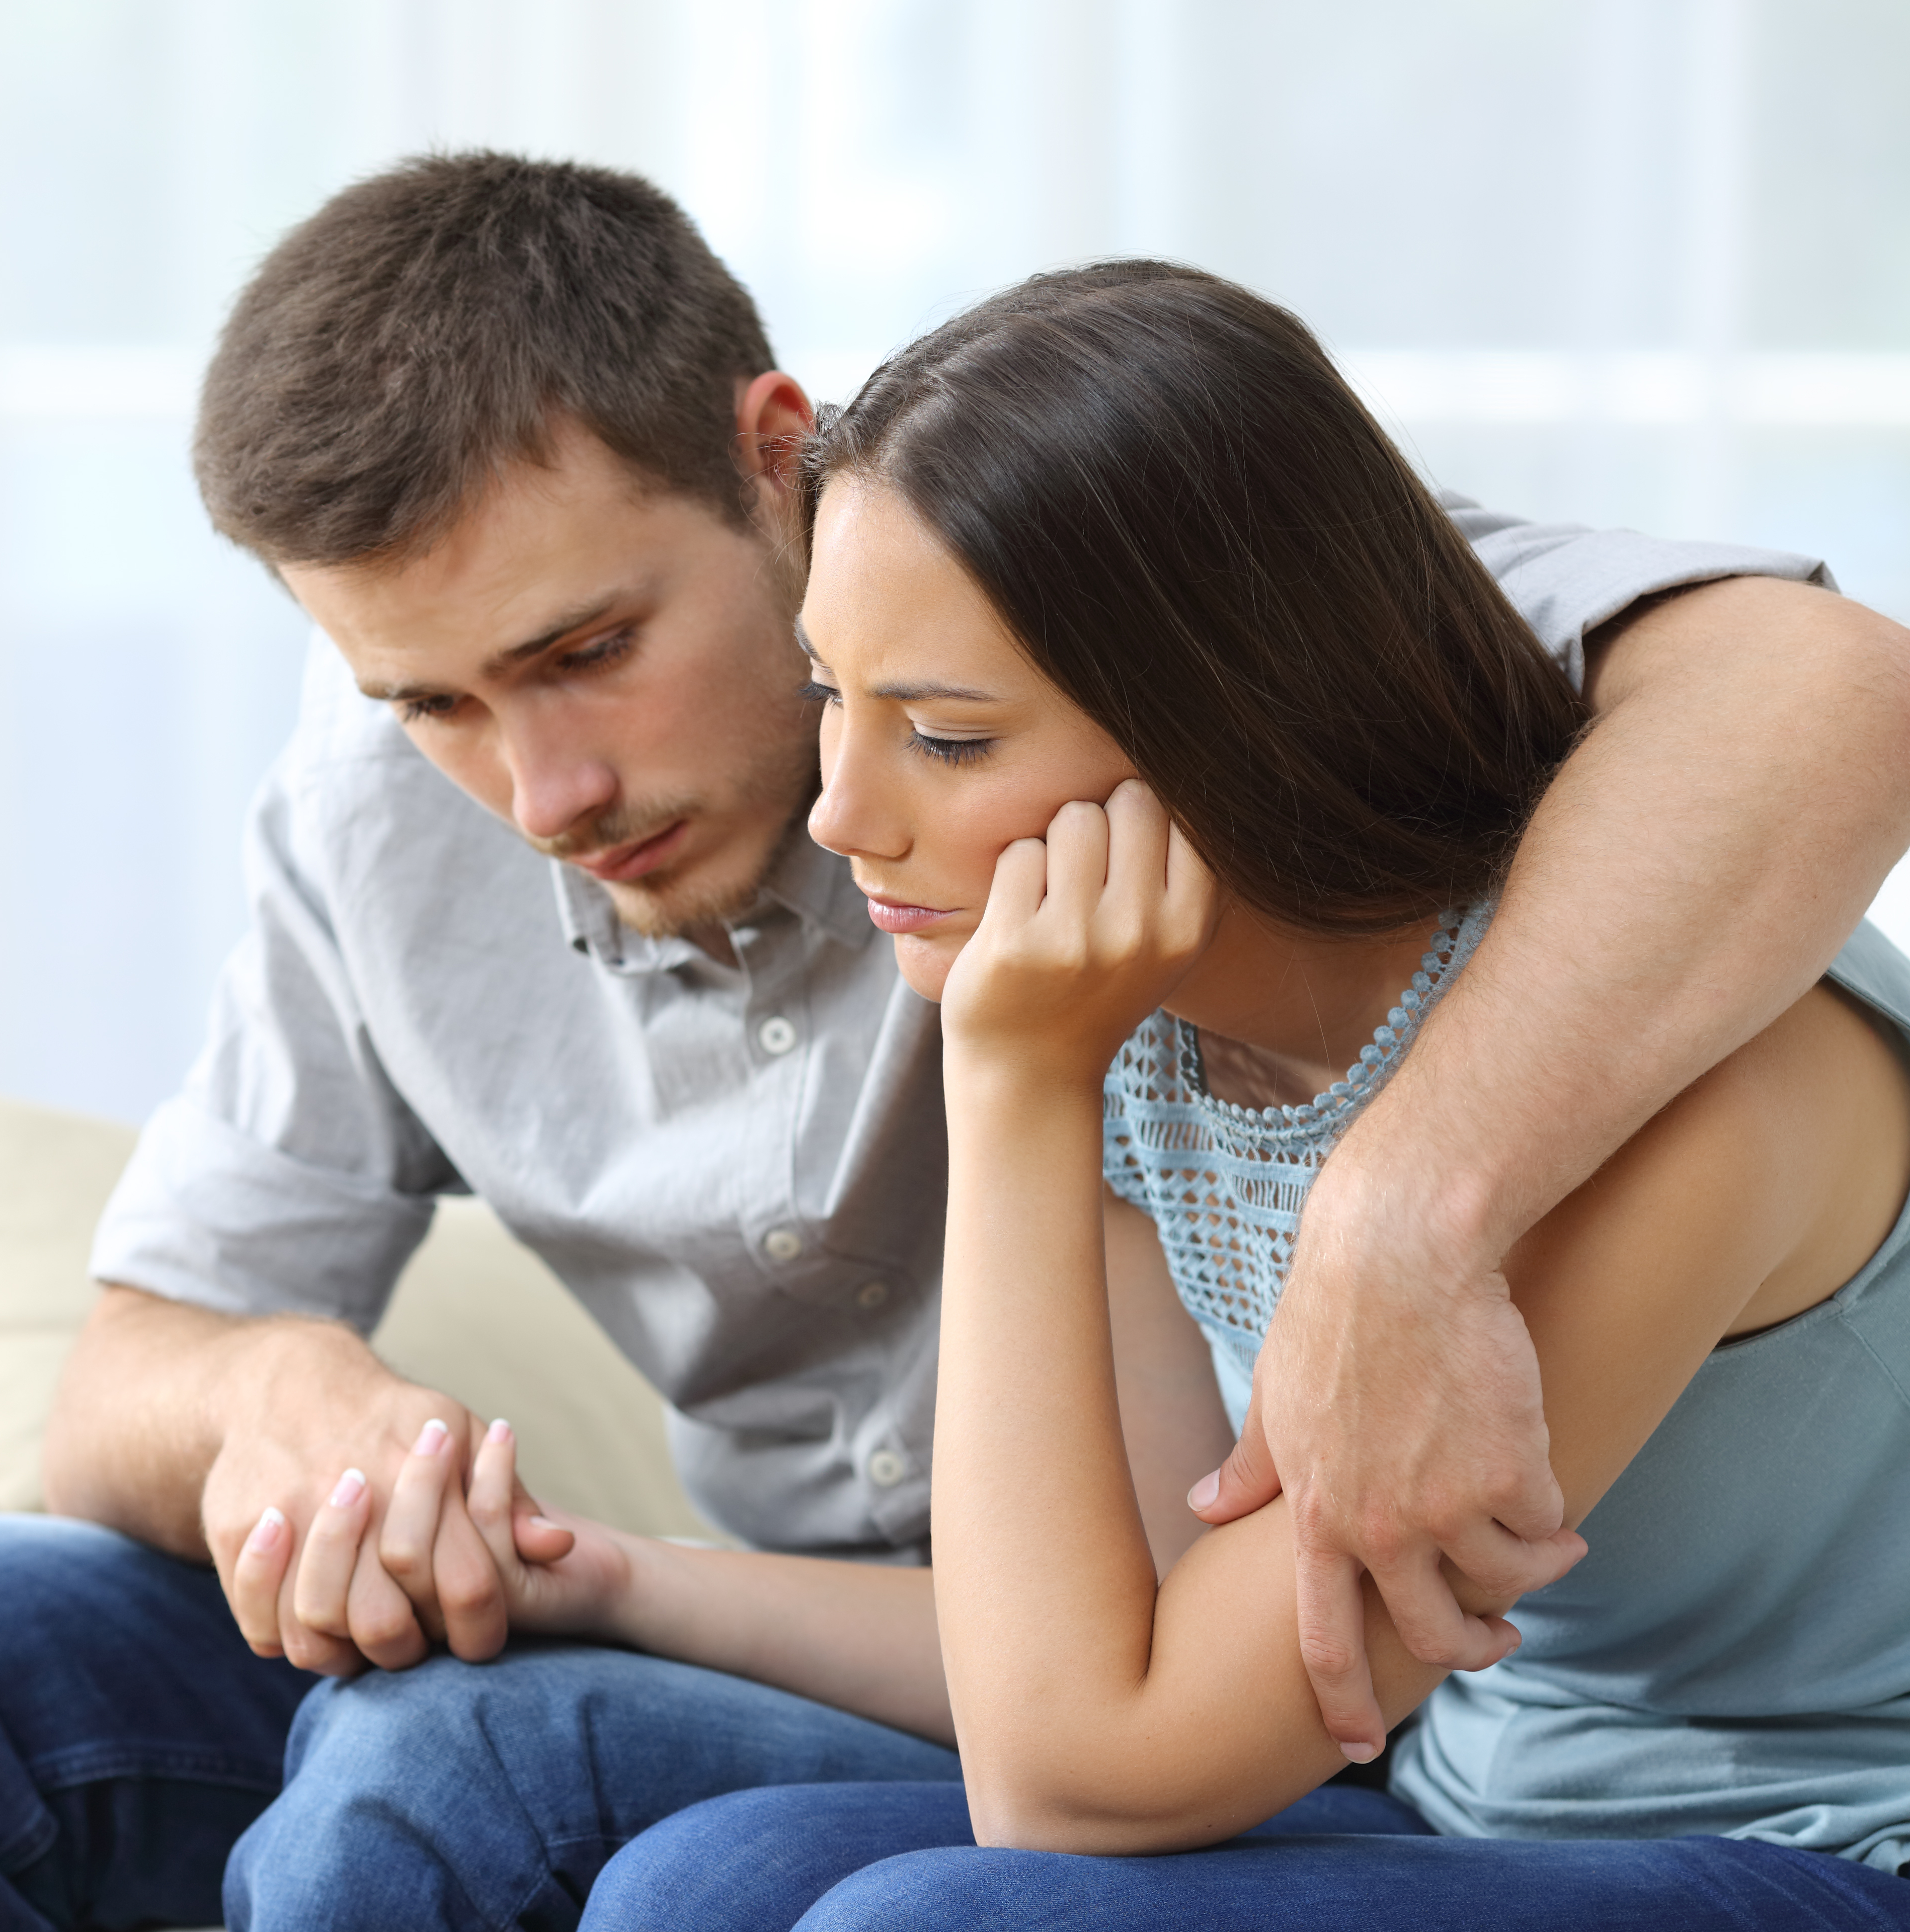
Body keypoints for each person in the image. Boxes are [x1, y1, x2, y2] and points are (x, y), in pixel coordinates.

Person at [0, 156, 1910, 1931]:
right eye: (429, 700)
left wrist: (1405, 1209)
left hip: (1309, 1726)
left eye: (587, 649)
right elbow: (136, 1365)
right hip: (1038, 1661)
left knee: (494, 1789)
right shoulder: (1099, 1010)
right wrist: (306, 1408)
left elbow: (1816, 687)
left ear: (773, 466)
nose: (538, 796)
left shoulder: (1122, 593)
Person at [568, 261, 1910, 1929]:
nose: (840, 814)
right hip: (1454, 1803)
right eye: (834, 697)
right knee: (694, 1887)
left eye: (953, 739)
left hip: (1832, 1847)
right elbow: (1081, 1656)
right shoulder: (1142, 1025)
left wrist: (1006, 1094)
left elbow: (1080, 1782)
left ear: (1237, 718)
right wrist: (616, 1577)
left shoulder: (1639, 1081)